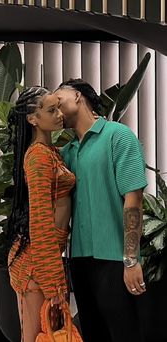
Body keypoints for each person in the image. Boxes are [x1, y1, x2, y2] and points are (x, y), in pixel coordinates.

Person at [54, 78, 148, 342]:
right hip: (80, 260)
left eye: (58, 99)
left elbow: (134, 200)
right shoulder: (67, 153)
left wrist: (131, 259)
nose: (56, 108)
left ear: (77, 95)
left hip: (115, 259)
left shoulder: (118, 136)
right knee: (92, 333)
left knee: (124, 333)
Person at [7, 86, 76, 342]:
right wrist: (52, 282)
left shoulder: (51, 152)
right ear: (33, 119)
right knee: (39, 337)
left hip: (46, 261)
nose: (59, 114)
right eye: (51, 110)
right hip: (35, 266)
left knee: (50, 334)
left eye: (58, 107)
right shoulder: (37, 157)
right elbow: (40, 222)